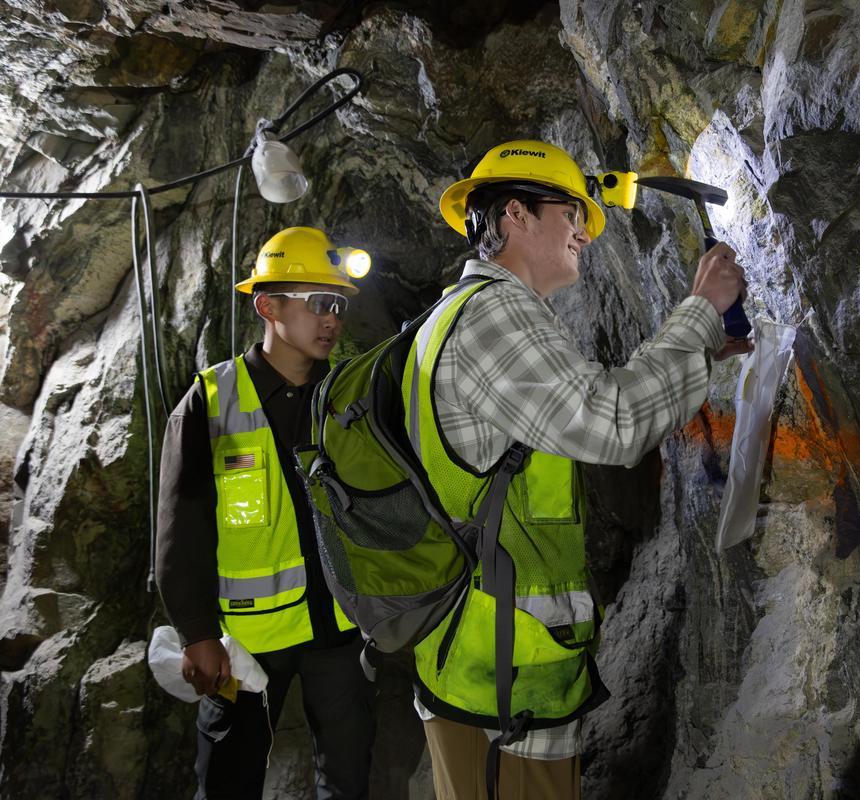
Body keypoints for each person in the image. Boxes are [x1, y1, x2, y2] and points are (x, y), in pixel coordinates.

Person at [406, 140, 751, 799]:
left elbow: (593, 403)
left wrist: (704, 352)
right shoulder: (491, 317)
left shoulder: (472, 315)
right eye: (572, 213)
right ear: (516, 215)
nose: (586, 234)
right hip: (502, 685)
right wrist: (702, 308)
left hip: (497, 664)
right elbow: (612, 424)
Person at [155, 226, 375, 800]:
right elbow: (183, 530)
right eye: (319, 304)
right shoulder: (211, 401)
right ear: (268, 306)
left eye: (339, 306)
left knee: (348, 780)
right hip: (247, 640)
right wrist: (197, 634)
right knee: (227, 779)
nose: (332, 319)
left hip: (340, 630)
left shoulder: (348, 397)